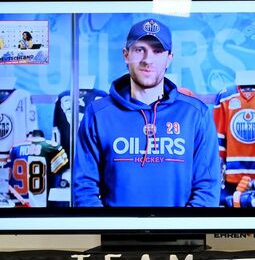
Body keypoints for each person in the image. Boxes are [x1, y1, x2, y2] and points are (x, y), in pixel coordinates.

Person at [72, 18, 220, 207]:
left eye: (157, 51)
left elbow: (207, 189)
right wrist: (109, 230)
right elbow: (84, 188)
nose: (147, 60)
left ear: (169, 59)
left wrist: (183, 231)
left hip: (181, 235)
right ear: (126, 55)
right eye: (139, 49)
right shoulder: (98, 114)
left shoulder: (195, 114)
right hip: (115, 235)